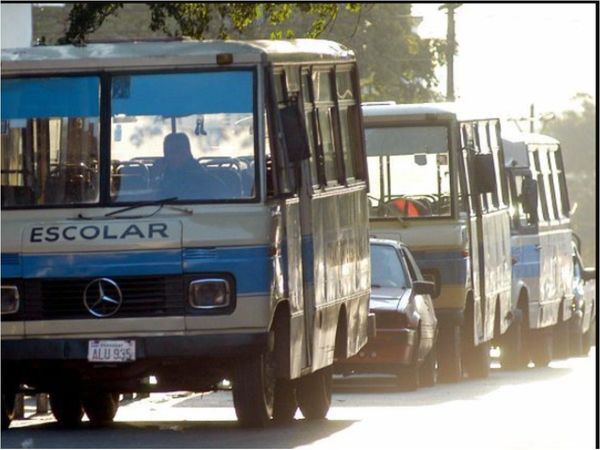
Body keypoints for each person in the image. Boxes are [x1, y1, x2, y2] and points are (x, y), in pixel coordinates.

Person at [159, 132, 223, 199]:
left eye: (172, 152)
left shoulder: (190, 180)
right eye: (166, 153)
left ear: (185, 152)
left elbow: (161, 198)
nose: (167, 158)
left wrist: (156, 178)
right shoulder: (168, 176)